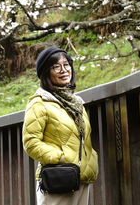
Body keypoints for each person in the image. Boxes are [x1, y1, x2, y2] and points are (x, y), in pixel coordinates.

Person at [22, 46, 98, 205]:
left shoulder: (76, 103)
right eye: (56, 66)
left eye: (66, 65)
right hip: (58, 177)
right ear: (46, 72)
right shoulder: (39, 103)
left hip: (81, 176)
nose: (64, 70)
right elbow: (30, 142)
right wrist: (59, 157)